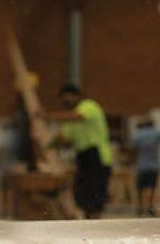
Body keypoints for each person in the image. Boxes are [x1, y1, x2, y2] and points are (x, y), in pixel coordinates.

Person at [47, 84, 112, 219]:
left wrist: (47, 116)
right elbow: (64, 141)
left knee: (95, 190)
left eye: (67, 97)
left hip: (97, 155)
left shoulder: (89, 106)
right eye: (63, 99)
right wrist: (47, 145)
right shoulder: (68, 122)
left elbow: (78, 116)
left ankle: (95, 219)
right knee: (82, 191)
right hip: (83, 156)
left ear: (76, 96)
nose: (66, 101)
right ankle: (88, 219)